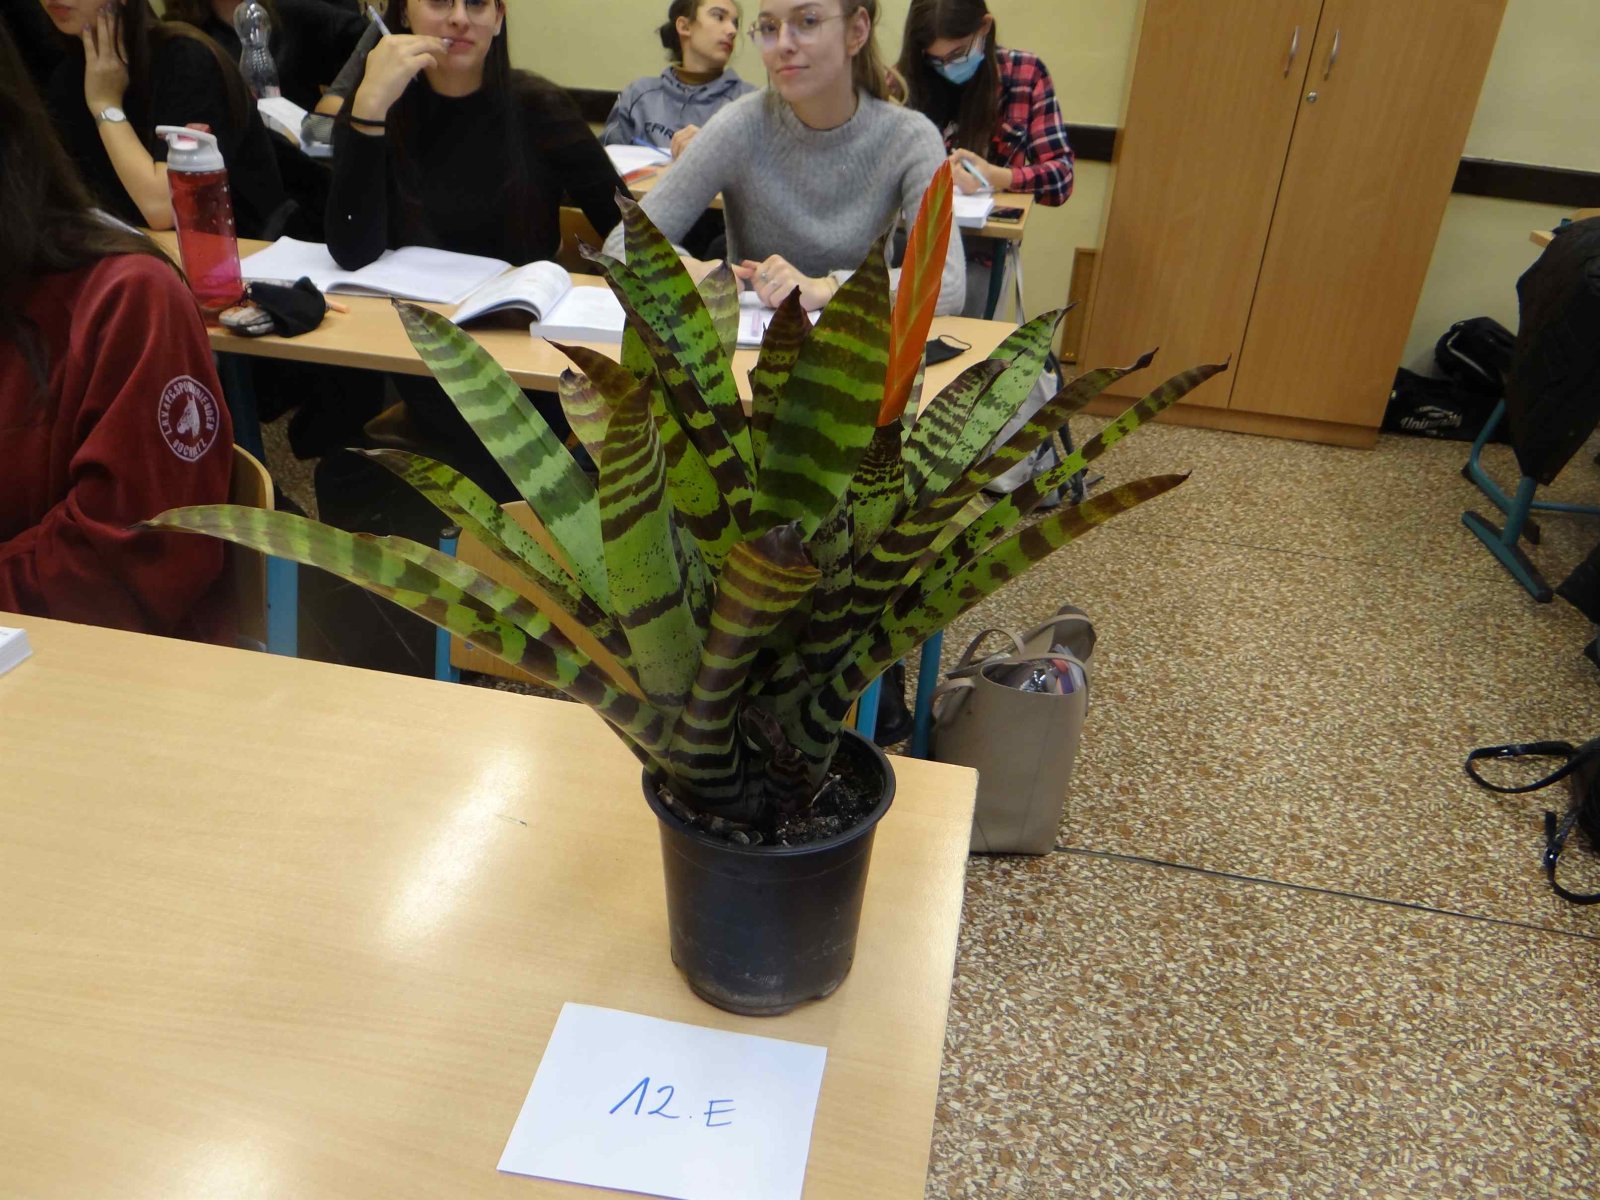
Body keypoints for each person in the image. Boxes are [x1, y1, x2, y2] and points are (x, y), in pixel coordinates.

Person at [325, 0, 626, 495]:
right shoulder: (380, 103)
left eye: (478, 3)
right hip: (421, 353)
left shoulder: (537, 107)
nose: (460, 18)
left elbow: (626, 226)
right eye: (440, 1)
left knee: (498, 455)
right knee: (355, 439)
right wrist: (370, 109)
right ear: (404, 15)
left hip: (528, 361)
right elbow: (352, 251)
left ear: (499, 18)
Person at [0, 19, 233, 639]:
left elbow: (135, 560)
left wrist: (105, 104)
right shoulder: (61, 73)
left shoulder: (182, 59)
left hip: (90, 665)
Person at [603, 0, 964, 317]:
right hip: (753, 355)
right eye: (769, 27)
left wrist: (828, 288)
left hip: (861, 353)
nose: (783, 44)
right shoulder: (739, 124)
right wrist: (683, 270)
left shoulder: (911, 138)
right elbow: (622, 244)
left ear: (856, 31)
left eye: (808, 21)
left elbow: (946, 283)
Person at [38, 0, 286, 237]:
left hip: (245, 251)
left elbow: (163, 209)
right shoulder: (65, 79)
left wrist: (106, 106)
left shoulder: (186, 58)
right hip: (140, 252)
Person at [897, 0, 1073, 316]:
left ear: (985, 27)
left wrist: (995, 176)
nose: (948, 67)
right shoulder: (907, 80)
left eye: (958, 54)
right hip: (906, 241)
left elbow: (1061, 179)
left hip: (979, 250)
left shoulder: (1025, 74)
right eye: (936, 60)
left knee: (960, 323)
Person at [604, 0, 754, 161]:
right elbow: (604, 166)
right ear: (685, 26)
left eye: (735, 23)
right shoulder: (637, 95)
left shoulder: (750, 102)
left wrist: (714, 154)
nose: (732, 30)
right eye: (719, 17)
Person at [161, 0, 369, 112]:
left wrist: (337, 101)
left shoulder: (294, 15)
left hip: (306, 166)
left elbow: (370, 42)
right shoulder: (180, 40)